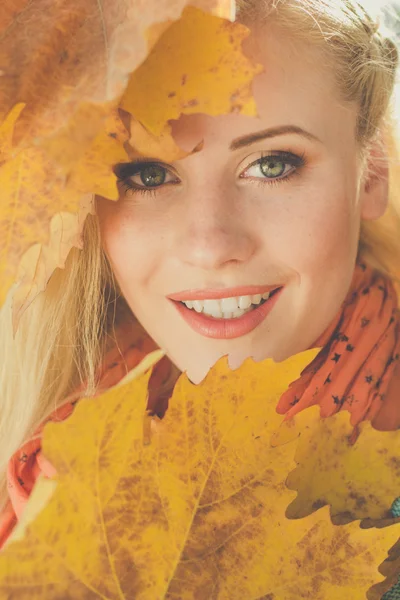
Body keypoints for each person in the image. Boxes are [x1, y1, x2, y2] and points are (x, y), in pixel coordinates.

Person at [1, 0, 400, 593]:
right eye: (149, 175)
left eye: (271, 164)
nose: (211, 245)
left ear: (369, 175)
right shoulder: (48, 434)